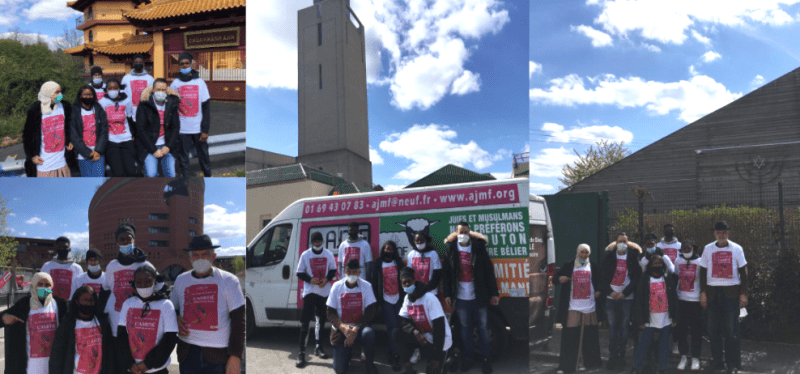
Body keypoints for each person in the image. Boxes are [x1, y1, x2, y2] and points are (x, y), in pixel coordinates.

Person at [171, 235, 245, 374]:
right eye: (196, 255)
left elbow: (239, 321)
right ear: (190, 259)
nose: (200, 259)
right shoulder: (181, 280)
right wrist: (175, 319)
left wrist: (235, 357)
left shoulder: (229, 281)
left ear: (213, 257)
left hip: (218, 356)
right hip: (187, 353)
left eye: (205, 254)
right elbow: (171, 310)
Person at [442, 221, 498, 374]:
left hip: (479, 297)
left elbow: (488, 272)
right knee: (465, 330)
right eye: (460, 232)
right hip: (460, 299)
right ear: (456, 233)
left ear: (470, 233)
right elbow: (446, 275)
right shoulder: (451, 250)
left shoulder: (478, 249)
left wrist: (494, 293)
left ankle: (486, 360)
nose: (463, 235)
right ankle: (468, 359)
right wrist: (447, 294)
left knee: (483, 329)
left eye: (466, 232)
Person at [699, 221, 748, 374]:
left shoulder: (736, 248)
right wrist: (703, 292)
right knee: (713, 330)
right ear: (715, 234)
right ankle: (718, 363)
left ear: (728, 234)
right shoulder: (708, 249)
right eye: (718, 233)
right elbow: (702, 271)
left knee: (730, 331)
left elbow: (743, 272)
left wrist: (744, 293)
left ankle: (732, 364)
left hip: (731, 294)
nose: (721, 235)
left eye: (724, 233)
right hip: (712, 294)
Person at [0, 272, 68, 374]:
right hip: (29, 367)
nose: (43, 288)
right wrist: (3, 318)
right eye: (39, 284)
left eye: (47, 285)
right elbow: (2, 318)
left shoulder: (60, 305)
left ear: (52, 286)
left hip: (54, 366)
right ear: (34, 285)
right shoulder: (24, 304)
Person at [101, 223, 155, 345]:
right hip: (116, 323)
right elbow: (105, 290)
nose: (125, 242)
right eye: (122, 239)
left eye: (128, 238)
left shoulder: (145, 266)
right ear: (117, 243)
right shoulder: (112, 266)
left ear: (134, 240)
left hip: (140, 322)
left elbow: (158, 290)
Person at [118, 266, 179, 374]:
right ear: (134, 284)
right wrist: (129, 363)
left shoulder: (165, 305)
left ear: (155, 281)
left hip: (157, 369)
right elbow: (122, 337)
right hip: (132, 369)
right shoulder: (127, 304)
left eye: (148, 281)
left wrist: (148, 363)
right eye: (139, 282)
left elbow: (170, 339)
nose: (143, 285)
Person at [554, 244, 603, 374]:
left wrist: (598, 291)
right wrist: (560, 278)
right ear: (577, 252)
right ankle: (566, 366)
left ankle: (591, 364)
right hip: (573, 306)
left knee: (589, 336)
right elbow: (555, 279)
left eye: (586, 252)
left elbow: (599, 281)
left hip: (589, 305)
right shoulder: (569, 265)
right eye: (582, 252)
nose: (584, 255)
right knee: (570, 337)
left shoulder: (593, 265)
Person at [394, 267, 452, 374]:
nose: (407, 285)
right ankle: (408, 369)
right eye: (404, 283)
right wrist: (415, 332)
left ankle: (451, 357)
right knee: (397, 333)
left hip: (439, 341)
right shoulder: (407, 298)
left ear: (414, 281)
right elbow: (401, 320)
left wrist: (436, 358)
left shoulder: (429, 298)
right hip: (424, 338)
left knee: (434, 368)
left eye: (409, 281)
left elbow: (439, 328)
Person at [326, 259, 378, 374]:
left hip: (359, 327)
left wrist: (357, 327)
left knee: (368, 334)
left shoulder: (366, 286)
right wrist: (343, 327)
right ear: (344, 272)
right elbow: (330, 312)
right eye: (349, 272)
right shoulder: (336, 286)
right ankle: (347, 352)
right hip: (342, 328)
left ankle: (370, 365)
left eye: (355, 272)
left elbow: (371, 311)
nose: (352, 274)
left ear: (359, 273)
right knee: (339, 370)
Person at [49, 285, 116, 374]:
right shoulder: (68, 324)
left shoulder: (103, 323)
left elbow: (109, 354)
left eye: (91, 300)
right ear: (77, 301)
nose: (88, 303)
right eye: (84, 300)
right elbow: (57, 355)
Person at [600, 232, 642, 370]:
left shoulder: (633, 257)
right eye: (620, 241)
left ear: (628, 242)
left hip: (627, 299)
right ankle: (612, 356)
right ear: (615, 243)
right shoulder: (609, 257)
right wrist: (610, 292)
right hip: (610, 298)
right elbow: (603, 278)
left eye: (625, 241)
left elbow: (636, 278)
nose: (622, 243)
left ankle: (621, 355)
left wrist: (625, 293)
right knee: (613, 328)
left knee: (624, 327)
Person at [630, 255, 678, 374]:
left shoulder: (667, 279)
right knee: (644, 343)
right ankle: (636, 367)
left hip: (665, 317)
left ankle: (662, 368)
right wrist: (640, 320)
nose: (657, 266)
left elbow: (674, 299)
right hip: (649, 318)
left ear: (663, 265)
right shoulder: (644, 279)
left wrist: (675, 317)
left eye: (659, 263)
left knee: (664, 345)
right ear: (650, 266)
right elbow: (639, 301)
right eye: (654, 264)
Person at [295, 232, 337, 368]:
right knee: (305, 322)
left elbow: (332, 270)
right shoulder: (305, 255)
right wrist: (310, 279)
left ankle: (319, 347)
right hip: (310, 292)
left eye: (319, 241)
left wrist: (327, 279)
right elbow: (299, 272)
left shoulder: (328, 254)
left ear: (322, 242)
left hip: (324, 292)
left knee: (321, 320)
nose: (317, 244)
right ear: (311, 242)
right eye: (315, 242)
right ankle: (301, 352)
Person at [170, 51, 211, 177]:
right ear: (179, 66)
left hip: (198, 128)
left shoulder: (200, 82)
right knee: (183, 156)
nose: (184, 66)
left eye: (187, 63)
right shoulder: (175, 84)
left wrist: (205, 130)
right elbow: (171, 107)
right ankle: (186, 179)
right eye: (181, 64)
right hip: (183, 129)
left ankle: (208, 176)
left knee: (203, 155)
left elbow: (206, 108)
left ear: (191, 64)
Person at [23, 81, 74, 177]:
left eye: (60, 91)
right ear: (48, 93)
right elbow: (27, 136)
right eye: (57, 92)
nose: (60, 95)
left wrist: (70, 141)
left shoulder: (65, 106)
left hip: (62, 164)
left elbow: (70, 128)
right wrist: (32, 156)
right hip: (44, 166)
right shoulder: (36, 110)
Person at [369, 240, 405, 371]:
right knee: (392, 327)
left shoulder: (398, 262)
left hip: (398, 299)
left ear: (394, 251)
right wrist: (376, 301)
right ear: (383, 250)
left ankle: (394, 350)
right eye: (386, 249)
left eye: (391, 249)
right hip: (386, 300)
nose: (388, 251)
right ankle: (394, 354)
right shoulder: (378, 263)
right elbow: (374, 283)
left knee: (398, 327)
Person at [135, 79, 181, 177]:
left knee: (171, 174)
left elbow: (175, 128)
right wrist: (153, 150)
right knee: (151, 174)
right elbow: (141, 129)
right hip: (149, 147)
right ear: (153, 90)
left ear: (167, 91)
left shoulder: (171, 104)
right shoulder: (144, 105)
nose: (160, 92)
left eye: (163, 90)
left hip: (166, 146)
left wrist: (168, 146)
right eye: (158, 89)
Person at [99, 78, 137, 177]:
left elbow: (129, 117)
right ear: (106, 90)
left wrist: (133, 133)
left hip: (126, 140)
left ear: (119, 88)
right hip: (111, 141)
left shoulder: (127, 100)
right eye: (110, 88)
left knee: (131, 171)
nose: (112, 90)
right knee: (118, 173)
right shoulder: (102, 102)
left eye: (115, 88)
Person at [675, 240, 702, 371]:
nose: (686, 250)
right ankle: (684, 356)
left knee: (696, 330)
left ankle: (696, 357)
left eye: (688, 248)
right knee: (682, 330)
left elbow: (703, 280)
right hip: (681, 300)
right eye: (684, 248)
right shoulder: (678, 261)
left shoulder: (700, 262)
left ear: (693, 249)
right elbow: (675, 277)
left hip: (695, 301)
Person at [70, 84, 109, 177]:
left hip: (98, 154)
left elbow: (104, 130)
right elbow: (73, 134)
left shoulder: (98, 108)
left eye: (90, 94)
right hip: (82, 154)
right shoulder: (74, 111)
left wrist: (98, 151)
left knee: (99, 179)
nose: (88, 96)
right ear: (80, 95)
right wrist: (88, 153)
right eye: (85, 94)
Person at [41, 236, 84, 302]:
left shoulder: (77, 268)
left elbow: (81, 289)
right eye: (59, 247)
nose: (62, 249)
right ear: (56, 248)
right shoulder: (47, 266)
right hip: (50, 305)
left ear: (69, 249)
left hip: (70, 306)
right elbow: (41, 287)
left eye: (65, 247)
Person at [121, 54, 154, 123]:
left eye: (140, 62)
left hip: (146, 113)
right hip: (129, 113)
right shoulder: (126, 78)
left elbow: (153, 95)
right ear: (133, 64)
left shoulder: (150, 79)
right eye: (136, 62)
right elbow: (122, 95)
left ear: (143, 64)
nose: (138, 64)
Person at [73, 248, 107, 314]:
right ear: (87, 262)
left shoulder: (107, 278)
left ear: (100, 261)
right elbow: (74, 299)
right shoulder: (79, 279)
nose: (93, 263)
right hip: (84, 314)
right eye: (90, 260)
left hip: (102, 314)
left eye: (96, 260)